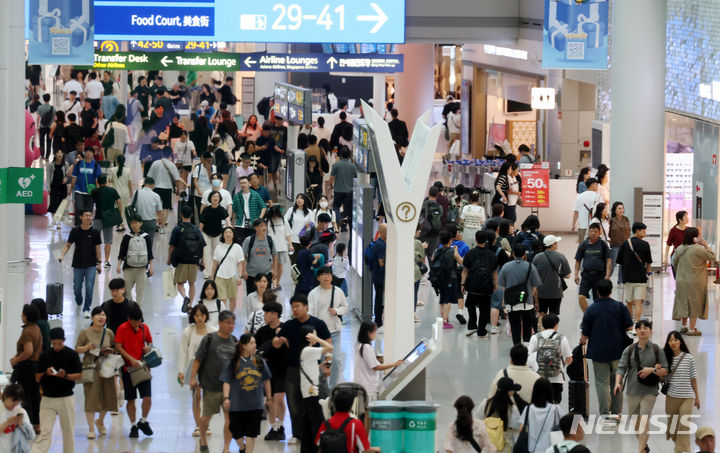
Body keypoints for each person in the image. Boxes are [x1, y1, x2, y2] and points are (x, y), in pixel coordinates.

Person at [273, 294, 332, 445]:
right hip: (293, 370)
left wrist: (327, 364)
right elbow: (275, 342)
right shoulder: (289, 325)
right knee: (294, 403)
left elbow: (329, 343)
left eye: (297, 306)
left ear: (306, 306)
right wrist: (279, 340)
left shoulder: (317, 323)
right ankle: (297, 434)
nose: (295, 309)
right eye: (293, 307)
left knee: (320, 401)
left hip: (314, 369)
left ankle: (322, 431)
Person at [580, 279, 633, 421]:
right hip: (618, 352)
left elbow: (585, 334)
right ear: (610, 291)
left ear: (597, 292)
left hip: (598, 352)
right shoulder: (620, 307)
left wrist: (582, 341)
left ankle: (605, 412)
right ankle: (616, 412)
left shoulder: (591, 310)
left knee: (601, 382)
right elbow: (629, 328)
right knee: (617, 381)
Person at [615, 320, 668, 453]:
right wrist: (617, 383)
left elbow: (665, 370)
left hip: (650, 391)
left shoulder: (657, 350)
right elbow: (621, 368)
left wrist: (652, 370)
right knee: (636, 424)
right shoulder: (629, 349)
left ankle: (641, 450)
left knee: (644, 419)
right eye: (639, 328)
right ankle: (644, 445)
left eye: (646, 328)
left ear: (650, 331)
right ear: (636, 331)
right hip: (632, 391)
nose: (642, 330)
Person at [190, 310, 237, 453]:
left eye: (233, 323)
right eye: (228, 323)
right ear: (220, 323)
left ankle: (226, 447)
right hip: (211, 385)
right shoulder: (209, 339)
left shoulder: (235, 341)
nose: (231, 326)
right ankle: (203, 438)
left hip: (229, 388)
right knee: (206, 417)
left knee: (229, 418)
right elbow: (198, 359)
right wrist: (193, 378)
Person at [30, 328, 82, 453]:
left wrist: (65, 376)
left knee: (68, 432)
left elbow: (79, 376)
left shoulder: (72, 355)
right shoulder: (45, 355)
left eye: (59, 343)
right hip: (48, 399)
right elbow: (37, 378)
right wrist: (46, 373)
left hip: (66, 398)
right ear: (50, 341)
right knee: (45, 432)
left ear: (64, 340)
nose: (57, 346)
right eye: (54, 343)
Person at [221, 333, 271, 453]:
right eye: (251, 343)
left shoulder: (259, 361)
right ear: (243, 345)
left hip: (255, 405)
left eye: (255, 343)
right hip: (237, 405)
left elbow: (266, 380)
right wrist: (226, 398)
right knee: (236, 433)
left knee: (251, 434)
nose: (254, 345)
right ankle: (242, 447)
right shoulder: (233, 363)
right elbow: (226, 381)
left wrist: (269, 398)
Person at [74, 307, 117, 439]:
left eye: (103, 315)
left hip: (106, 368)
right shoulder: (85, 332)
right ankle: (91, 429)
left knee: (107, 398)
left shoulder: (109, 332)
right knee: (91, 399)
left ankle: (100, 421)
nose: (101, 317)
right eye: (98, 315)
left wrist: (110, 350)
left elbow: (115, 348)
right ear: (92, 318)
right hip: (90, 368)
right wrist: (87, 347)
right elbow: (77, 349)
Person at [114, 306, 154, 438]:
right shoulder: (122, 328)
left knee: (147, 397)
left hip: (143, 368)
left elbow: (150, 340)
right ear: (128, 319)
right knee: (131, 399)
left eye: (139, 321)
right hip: (128, 370)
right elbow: (118, 346)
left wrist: (149, 347)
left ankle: (143, 421)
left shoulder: (145, 328)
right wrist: (130, 358)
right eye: (134, 322)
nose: (137, 324)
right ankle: (133, 425)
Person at [178, 304, 217, 437]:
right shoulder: (188, 331)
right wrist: (180, 371)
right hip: (193, 368)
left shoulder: (212, 331)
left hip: (209, 369)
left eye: (202, 315)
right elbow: (182, 351)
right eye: (197, 315)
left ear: (206, 316)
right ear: (193, 317)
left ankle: (206, 425)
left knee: (207, 397)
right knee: (196, 396)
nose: (199, 318)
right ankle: (197, 425)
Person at [308, 267, 349, 387]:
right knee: (322, 361)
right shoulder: (313, 293)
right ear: (318, 278)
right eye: (323, 275)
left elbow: (345, 306)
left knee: (336, 360)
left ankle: (334, 387)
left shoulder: (338, 291)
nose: (326, 277)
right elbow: (310, 312)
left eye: (328, 274)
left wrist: (336, 311)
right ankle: (323, 387)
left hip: (335, 332)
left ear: (332, 277)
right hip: (320, 334)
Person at [672, 227, 715, 336]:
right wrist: (706, 245)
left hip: (681, 280)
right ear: (695, 238)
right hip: (696, 281)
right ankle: (692, 329)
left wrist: (680, 273)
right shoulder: (699, 249)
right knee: (694, 304)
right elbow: (712, 256)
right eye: (699, 235)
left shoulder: (680, 248)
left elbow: (673, 262)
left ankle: (683, 326)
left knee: (683, 302)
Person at [58, 210, 102, 317]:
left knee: (89, 287)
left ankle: (86, 308)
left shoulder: (95, 232)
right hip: (78, 264)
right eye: (86, 215)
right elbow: (68, 245)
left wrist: (99, 263)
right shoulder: (75, 231)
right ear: (81, 217)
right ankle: (79, 300)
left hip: (91, 265)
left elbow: (98, 248)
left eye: (90, 216)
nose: (88, 217)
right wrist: (62, 255)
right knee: (77, 288)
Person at [662, 330, 700, 453]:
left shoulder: (689, 358)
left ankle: (681, 450)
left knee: (683, 425)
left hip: (687, 397)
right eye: (670, 340)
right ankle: (680, 446)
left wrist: (697, 397)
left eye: (676, 340)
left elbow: (693, 378)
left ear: (680, 342)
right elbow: (663, 379)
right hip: (672, 397)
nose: (673, 343)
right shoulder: (666, 359)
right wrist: (659, 371)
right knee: (673, 428)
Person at [298, 325, 333, 453]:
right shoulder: (307, 350)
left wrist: (320, 366)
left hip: (308, 391)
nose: (316, 336)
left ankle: (307, 449)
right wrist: (317, 338)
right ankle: (316, 449)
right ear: (309, 336)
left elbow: (308, 369)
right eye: (314, 334)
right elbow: (330, 347)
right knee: (316, 424)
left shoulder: (305, 351)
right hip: (311, 393)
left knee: (308, 424)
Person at [498, 244, 542, 344]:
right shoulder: (531, 267)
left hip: (511, 303)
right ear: (524, 254)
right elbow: (535, 286)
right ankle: (526, 345)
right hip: (527, 302)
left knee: (515, 326)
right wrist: (530, 296)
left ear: (513, 253)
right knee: (527, 324)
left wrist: (504, 299)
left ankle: (516, 345)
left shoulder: (506, 267)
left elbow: (503, 286)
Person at [10, 305, 43, 433]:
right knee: (35, 396)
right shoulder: (37, 328)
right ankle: (37, 424)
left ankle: (28, 424)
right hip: (36, 367)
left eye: (22, 314)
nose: (21, 316)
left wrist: (16, 360)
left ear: (27, 316)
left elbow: (28, 351)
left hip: (27, 368)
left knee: (26, 397)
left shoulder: (28, 331)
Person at [314, 389, 378, 453]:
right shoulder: (355, 424)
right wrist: (378, 449)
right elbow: (365, 450)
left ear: (334, 406)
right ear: (350, 407)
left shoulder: (325, 424)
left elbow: (320, 449)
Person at [527, 314, 572, 404]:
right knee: (555, 403)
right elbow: (569, 359)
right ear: (556, 324)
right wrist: (562, 365)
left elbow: (528, 357)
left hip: (538, 377)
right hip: (557, 377)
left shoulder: (535, 338)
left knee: (539, 402)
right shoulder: (562, 339)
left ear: (542, 325)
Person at [461, 230, 498, 337]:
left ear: (476, 239)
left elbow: (465, 271)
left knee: (470, 305)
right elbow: (494, 272)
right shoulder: (491, 255)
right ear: (486, 240)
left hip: (472, 285)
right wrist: (495, 284)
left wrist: (462, 284)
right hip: (486, 286)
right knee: (484, 309)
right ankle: (481, 331)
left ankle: (472, 325)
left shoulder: (470, 253)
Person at [169, 205, 206, 312]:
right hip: (194, 260)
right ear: (191, 215)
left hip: (181, 260)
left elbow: (172, 245)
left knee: (179, 283)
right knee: (192, 283)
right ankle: (190, 305)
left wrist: (169, 258)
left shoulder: (177, 229)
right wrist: (202, 260)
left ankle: (185, 298)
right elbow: (202, 245)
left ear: (181, 215)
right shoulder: (196, 229)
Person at [353, 321, 403, 401]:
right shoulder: (366, 347)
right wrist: (394, 364)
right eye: (375, 331)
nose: (376, 334)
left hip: (361, 384)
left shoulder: (359, 345)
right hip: (368, 387)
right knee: (368, 410)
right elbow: (376, 367)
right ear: (369, 333)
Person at [616, 222, 653, 324]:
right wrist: (648, 271)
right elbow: (649, 261)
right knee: (638, 303)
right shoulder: (645, 244)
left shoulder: (625, 243)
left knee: (628, 302)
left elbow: (619, 261)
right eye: (644, 230)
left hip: (628, 278)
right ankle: (637, 323)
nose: (645, 232)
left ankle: (629, 324)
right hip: (640, 278)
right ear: (638, 231)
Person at [518, 378, 565, 453]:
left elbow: (521, 430)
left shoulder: (528, 409)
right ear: (550, 392)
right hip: (550, 449)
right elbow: (567, 425)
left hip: (532, 449)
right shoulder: (555, 409)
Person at [480, 377, 525, 453]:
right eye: (513, 389)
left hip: (487, 445)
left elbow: (476, 419)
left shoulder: (486, 403)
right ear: (509, 392)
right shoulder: (513, 409)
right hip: (504, 447)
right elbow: (518, 426)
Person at [532, 235, 571, 322]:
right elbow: (568, 275)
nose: (557, 244)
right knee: (553, 315)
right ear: (553, 245)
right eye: (556, 243)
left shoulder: (537, 257)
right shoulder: (561, 257)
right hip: (556, 292)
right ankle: (552, 333)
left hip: (541, 292)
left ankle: (542, 333)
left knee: (541, 313)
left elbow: (533, 275)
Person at [574, 223, 612, 312]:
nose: (593, 233)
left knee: (598, 300)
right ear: (588, 232)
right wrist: (576, 274)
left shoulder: (603, 245)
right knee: (581, 297)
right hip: (586, 275)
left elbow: (608, 261)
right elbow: (578, 261)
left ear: (599, 233)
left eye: (596, 231)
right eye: (592, 231)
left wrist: (607, 276)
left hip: (599, 276)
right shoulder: (583, 245)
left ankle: (596, 317)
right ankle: (587, 315)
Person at [116, 216, 153, 304]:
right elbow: (122, 252)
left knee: (140, 292)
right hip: (128, 268)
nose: (134, 225)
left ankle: (138, 312)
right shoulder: (127, 237)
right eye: (132, 223)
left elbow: (150, 253)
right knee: (127, 291)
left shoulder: (146, 237)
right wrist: (118, 265)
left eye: (136, 223)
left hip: (142, 269)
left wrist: (151, 266)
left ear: (141, 223)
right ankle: (130, 309)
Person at [91, 174, 123, 267]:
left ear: (97, 182)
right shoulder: (112, 191)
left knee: (96, 240)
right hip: (109, 218)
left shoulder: (94, 191)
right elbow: (119, 202)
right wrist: (119, 214)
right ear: (107, 181)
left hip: (98, 218)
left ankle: (97, 260)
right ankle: (107, 261)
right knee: (108, 240)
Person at [212, 227, 245, 312]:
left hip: (233, 276)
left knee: (233, 299)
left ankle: (230, 315)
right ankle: (223, 315)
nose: (228, 234)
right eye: (226, 232)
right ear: (223, 235)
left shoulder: (237, 247)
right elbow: (215, 264)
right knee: (222, 299)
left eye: (230, 232)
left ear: (233, 235)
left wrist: (240, 276)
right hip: (220, 276)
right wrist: (212, 278)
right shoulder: (218, 247)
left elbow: (239, 264)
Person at [242, 218, 279, 293]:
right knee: (251, 297)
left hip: (266, 274)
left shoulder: (269, 240)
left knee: (266, 298)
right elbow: (242, 256)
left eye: (265, 226)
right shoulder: (249, 240)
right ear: (256, 228)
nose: (264, 228)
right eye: (261, 226)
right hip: (251, 275)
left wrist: (275, 270)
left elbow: (275, 255)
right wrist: (243, 271)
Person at [199, 190, 230, 279]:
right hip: (206, 234)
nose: (216, 198)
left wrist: (229, 224)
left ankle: (215, 270)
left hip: (217, 234)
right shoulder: (206, 210)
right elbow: (202, 222)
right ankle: (207, 272)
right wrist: (199, 234)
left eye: (217, 197)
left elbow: (227, 218)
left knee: (216, 253)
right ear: (210, 198)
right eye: (214, 196)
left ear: (219, 199)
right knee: (206, 253)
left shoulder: (221, 209)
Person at [70, 147, 102, 227]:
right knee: (79, 208)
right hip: (78, 190)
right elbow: (74, 177)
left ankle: (87, 226)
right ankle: (78, 226)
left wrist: (98, 191)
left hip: (90, 192)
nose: (88, 153)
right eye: (86, 151)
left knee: (89, 210)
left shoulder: (96, 165)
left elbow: (97, 180)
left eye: (90, 152)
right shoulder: (79, 163)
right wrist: (70, 188)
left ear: (93, 154)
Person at [0, 384, 35, 452]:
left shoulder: (21, 412)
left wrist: (22, 425)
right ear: (5, 396)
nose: (15, 405)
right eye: (13, 401)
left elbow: (31, 436)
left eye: (18, 402)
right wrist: (8, 423)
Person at [232, 176, 267, 244]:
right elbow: (234, 211)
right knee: (240, 244)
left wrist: (259, 218)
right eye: (241, 183)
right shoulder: (236, 196)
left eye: (244, 183)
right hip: (239, 224)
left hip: (253, 223)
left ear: (249, 184)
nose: (243, 185)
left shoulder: (255, 195)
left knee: (252, 243)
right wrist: (233, 223)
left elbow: (263, 207)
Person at [330, 146, 358, 231]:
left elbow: (332, 177)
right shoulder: (352, 166)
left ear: (341, 155)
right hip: (349, 191)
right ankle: (343, 226)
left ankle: (339, 220)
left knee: (336, 207)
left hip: (338, 189)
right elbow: (357, 177)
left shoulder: (336, 165)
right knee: (346, 209)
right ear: (349, 155)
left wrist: (331, 185)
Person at [133, 177, 163, 245]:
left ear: (144, 184)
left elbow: (133, 206)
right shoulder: (156, 196)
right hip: (151, 222)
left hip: (138, 222)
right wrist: (160, 220)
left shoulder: (136, 193)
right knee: (149, 242)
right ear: (152, 185)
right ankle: (148, 254)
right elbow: (159, 211)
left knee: (139, 242)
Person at [285, 193, 314, 264]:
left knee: (303, 261)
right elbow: (284, 220)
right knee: (293, 262)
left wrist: (308, 225)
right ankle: (294, 275)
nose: (299, 200)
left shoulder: (309, 212)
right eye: (297, 198)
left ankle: (302, 275)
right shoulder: (291, 210)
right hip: (293, 241)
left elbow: (313, 225)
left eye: (301, 198)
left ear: (304, 200)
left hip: (304, 241)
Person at [368, 224, 387, 328]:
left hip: (379, 276)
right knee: (379, 298)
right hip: (379, 277)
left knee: (380, 298)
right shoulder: (380, 245)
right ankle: (378, 320)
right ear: (382, 232)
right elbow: (381, 262)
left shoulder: (382, 243)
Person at [46, 148, 70, 230]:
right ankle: (53, 221)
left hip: (62, 187)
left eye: (61, 153)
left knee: (61, 205)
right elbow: (48, 177)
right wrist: (48, 187)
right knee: (53, 204)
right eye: (58, 153)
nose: (60, 154)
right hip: (54, 186)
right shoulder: (50, 165)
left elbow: (68, 175)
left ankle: (58, 222)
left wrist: (66, 179)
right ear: (55, 155)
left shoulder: (65, 164)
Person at [107, 154, 133, 231]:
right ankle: (122, 224)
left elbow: (110, 180)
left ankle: (119, 224)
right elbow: (129, 183)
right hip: (125, 192)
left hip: (116, 192)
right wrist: (131, 192)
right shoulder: (127, 171)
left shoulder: (112, 170)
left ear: (116, 161)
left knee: (117, 209)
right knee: (124, 208)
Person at [571, 178, 600, 243]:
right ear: (592, 185)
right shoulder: (598, 197)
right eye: (596, 184)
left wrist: (573, 224)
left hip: (582, 227)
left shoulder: (580, 196)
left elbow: (576, 212)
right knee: (595, 247)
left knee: (583, 247)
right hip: (595, 227)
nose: (597, 186)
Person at [608, 201, 630, 284]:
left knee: (623, 264)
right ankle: (606, 278)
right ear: (615, 210)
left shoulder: (626, 219)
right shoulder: (611, 220)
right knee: (613, 263)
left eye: (622, 208)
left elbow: (628, 231)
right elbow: (608, 233)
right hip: (615, 245)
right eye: (619, 208)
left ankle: (621, 282)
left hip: (625, 245)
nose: (621, 210)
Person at [37, 93, 55, 160]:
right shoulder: (53, 108)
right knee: (49, 141)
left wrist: (37, 127)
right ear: (49, 99)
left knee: (41, 141)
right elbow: (54, 119)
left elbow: (38, 118)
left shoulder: (40, 107)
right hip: (50, 127)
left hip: (42, 126)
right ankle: (47, 156)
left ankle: (42, 155)